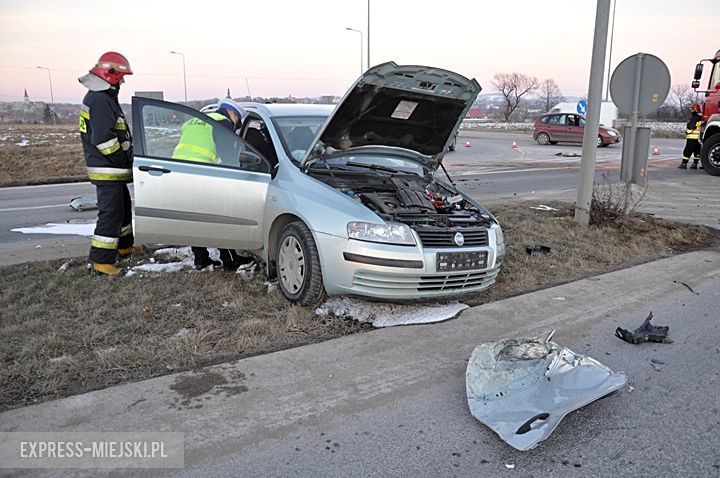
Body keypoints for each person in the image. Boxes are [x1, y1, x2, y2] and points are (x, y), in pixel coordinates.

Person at [78, 52, 142, 276]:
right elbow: (103, 140)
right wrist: (123, 160)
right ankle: (101, 261)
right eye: (121, 77)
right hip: (108, 169)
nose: (123, 81)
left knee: (123, 209)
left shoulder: (103, 97)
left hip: (113, 170)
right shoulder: (100, 100)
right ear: (111, 74)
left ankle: (124, 247)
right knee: (111, 214)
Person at [172, 100, 253, 271]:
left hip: (180, 172)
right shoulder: (223, 122)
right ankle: (230, 260)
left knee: (195, 218)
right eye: (237, 120)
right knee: (219, 217)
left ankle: (201, 259)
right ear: (232, 113)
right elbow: (227, 153)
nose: (236, 125)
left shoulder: (195, 119)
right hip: (202, 174)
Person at [679, 103, 704, 170]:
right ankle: (695, 164)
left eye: (692, 109)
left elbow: (690, 127)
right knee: (697, 151)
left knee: (687, 151)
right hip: (697, 139)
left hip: (691, 138)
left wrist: (687, 131)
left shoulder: (694, 118)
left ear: (695, 109)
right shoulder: (700, 118)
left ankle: (684, 164)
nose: (691, 110)